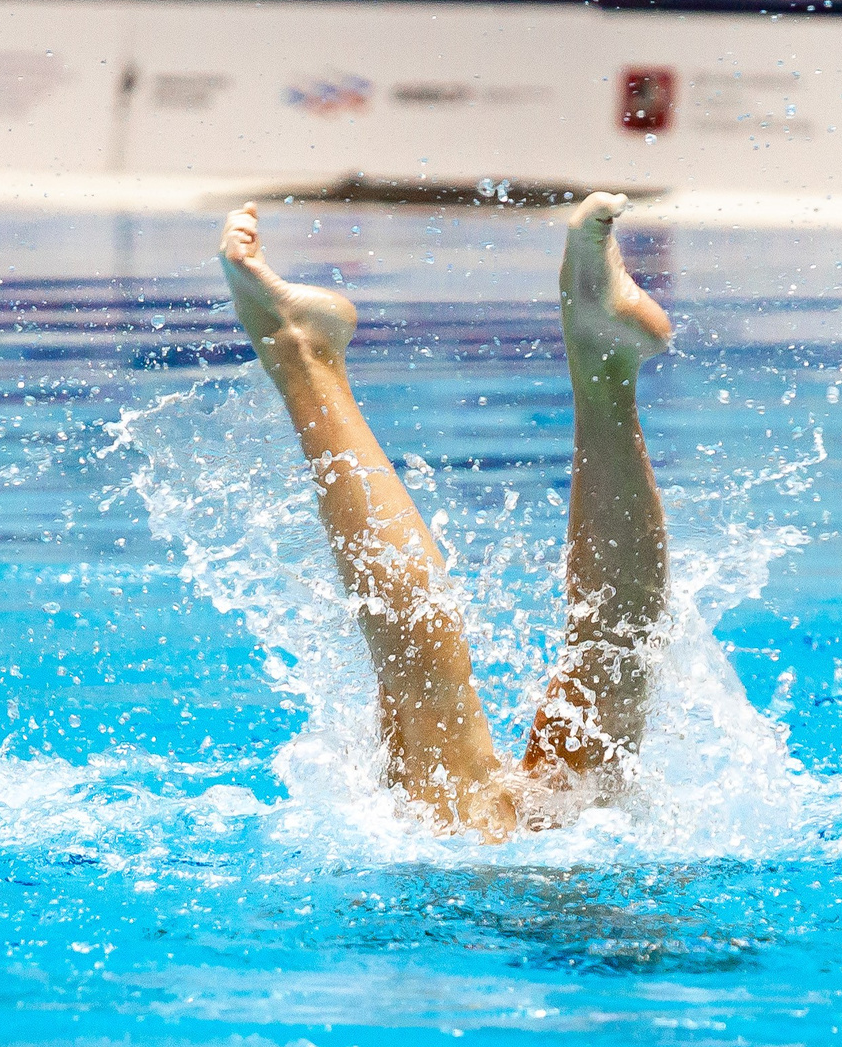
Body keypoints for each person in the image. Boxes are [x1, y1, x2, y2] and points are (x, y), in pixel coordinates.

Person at [217, 192, 672, 839]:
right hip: (589, 892)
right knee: (593, 680)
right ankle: (600, 352)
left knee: (586, 675)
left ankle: (304, 353)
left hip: (513, 888)